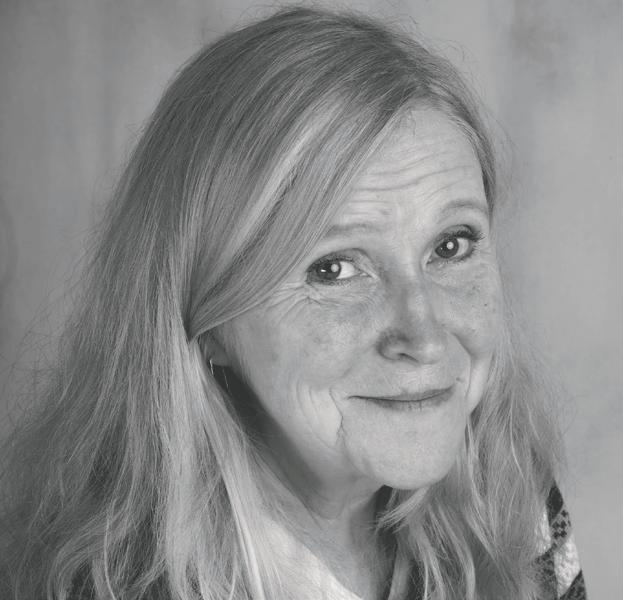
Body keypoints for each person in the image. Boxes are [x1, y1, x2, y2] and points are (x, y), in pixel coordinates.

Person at [0, 7, 587, 600]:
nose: (425, 335)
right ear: (208, 322)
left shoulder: (513, 507)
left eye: (451, 245)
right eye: (333, 269)